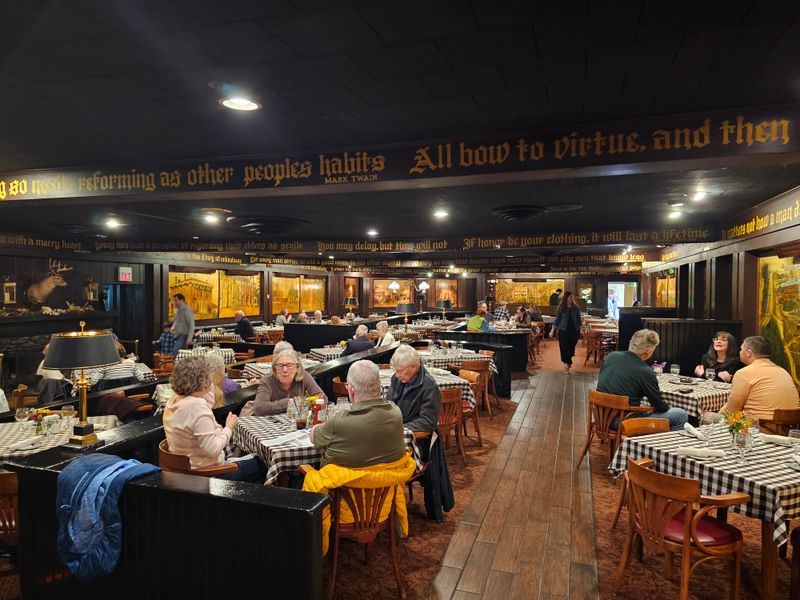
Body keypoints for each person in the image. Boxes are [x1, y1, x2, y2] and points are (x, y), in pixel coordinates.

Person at [163, 355, 265, 482]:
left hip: (185, 471)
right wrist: (228, 428)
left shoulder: (174, 400)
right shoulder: (196, 407)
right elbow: (214, 449)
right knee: (263, 461)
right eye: (209, 378)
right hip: (209, 476)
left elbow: (210, 402)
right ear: (204, 381)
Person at [310, 360, 406, 468]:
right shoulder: (396, 412)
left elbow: (313, 437)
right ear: (379, 386)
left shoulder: (339, 422)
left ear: (351, 390)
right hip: (388, 482)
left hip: (342, 484)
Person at [597, 329, 689, 431]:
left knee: (645, 407)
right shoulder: (645, 371)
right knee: (681, 415)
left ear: (631, 343)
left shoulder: (611, 356)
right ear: (647, 353)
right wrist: (669, 406)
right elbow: (659, 405)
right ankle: (661, 445)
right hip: (624, 422)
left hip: (600, 415)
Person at [719, 336, 800, 425]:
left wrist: (717, 413)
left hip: (759, 428)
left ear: (748, 353)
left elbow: (731, 412)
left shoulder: (744, 373)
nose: (739, 352)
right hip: (790, 428)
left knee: (707, 416)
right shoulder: (783, 371)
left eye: (741, 349)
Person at [241, 348, 325, 416]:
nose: (285, 370)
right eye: (280, 366)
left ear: (297, 367)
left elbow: (322, 398)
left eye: (289, 365)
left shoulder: (304, 376)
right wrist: (289, 403)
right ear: (275, 369)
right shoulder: (267, 381)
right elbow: (259, 409)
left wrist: (305, 402)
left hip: (291, 421)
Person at [387, 344, 440, 433]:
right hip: (395, 427)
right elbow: (388, 403)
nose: (396, 375)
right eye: (395, 370)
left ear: (413, 366)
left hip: (415, 437)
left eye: (399, 371)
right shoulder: (396, 378)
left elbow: (428, 422)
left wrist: (399, 428)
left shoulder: (429, 387)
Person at [550, 291, 582, 372]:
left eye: (572, 297)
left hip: (574, 330)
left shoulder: (576, 308)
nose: (572, 299)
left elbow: (579, 320)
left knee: (571, 347)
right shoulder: (561, 307)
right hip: (563, 330)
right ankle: (567, 362)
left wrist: (581, 329)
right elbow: (557, 319)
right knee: (564, 346)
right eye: (570, 297)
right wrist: (552, 330)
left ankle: (568, 360)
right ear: (566, 298)